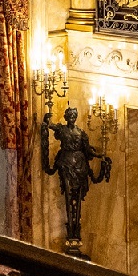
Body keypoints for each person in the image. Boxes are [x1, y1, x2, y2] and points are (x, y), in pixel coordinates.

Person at [41, 106, 110, 254]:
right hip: (66, 164)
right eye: (70, 115)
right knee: (67, 196)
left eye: (74, 115)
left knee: (78, 198)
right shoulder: (62, 130)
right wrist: (47, 119)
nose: (72, 117)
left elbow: (87, 150)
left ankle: (74, 233)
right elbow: (51, 125)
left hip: (79, 165)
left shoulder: (81, 133)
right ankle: (72, 233)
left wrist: (100, 155)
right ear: (66, 117)